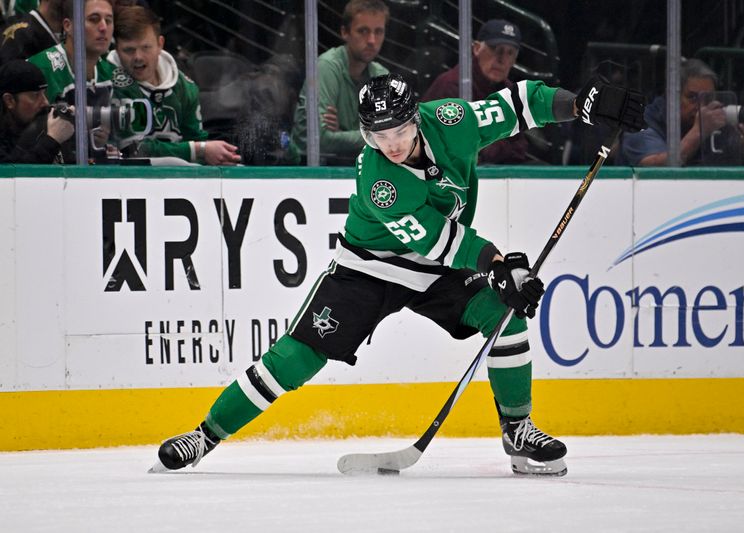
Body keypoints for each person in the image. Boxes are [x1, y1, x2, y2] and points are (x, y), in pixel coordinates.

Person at [150, 72, 644, 476]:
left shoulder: (449, 120)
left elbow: (518, 104)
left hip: (435, 271)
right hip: (368, 270)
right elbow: (437, 239)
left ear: (417, 120)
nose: (390, 144)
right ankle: (205, 434)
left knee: (504, 314)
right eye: (377, 135)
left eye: (399, 132)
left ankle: (518, 431)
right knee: (297, 358)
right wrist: (498, 264)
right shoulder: (379, 178)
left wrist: (579, 103)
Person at [107, 5, 240, 165]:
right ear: (117, 49)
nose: (138, 57)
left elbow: (197, 141)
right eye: (129, 50)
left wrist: (216, 157)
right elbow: (136, 149)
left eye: (146, 47)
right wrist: (199, 150)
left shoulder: (184, 88)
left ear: (160, 44)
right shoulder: (110, 82)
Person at [422, 19, 546, 165]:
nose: (501, 60)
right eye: (495, 49)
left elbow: (519, 148)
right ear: (476, 49)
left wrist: (489, 147)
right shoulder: (451, 85)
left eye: (510, 53)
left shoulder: (511, 92)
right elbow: (456, 147)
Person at [289, 0, 389, 164]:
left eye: (378, 32)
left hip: (362, 169)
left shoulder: (381, 75)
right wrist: (374, 135)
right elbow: (317, 140)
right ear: (345, 32)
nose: (372, 40)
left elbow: (395, 137)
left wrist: (341, 133)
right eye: (363, 31)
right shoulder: (327, 67)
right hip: (315, 172)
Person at [618, 58, 744, 166]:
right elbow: (655, 166)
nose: (701, 106)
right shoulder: (640, 121)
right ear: (671, 96)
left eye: (708, 98)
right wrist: (698, 132)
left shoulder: (714, 122)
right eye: (692, 97)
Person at [26, 0, 116, 162]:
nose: (103, 28)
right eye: (94, 19)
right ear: (68, 26)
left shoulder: (110, 72)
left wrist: (103, 143)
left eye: (108, 20)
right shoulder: (42, 68)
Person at [0, 58, 73, 162]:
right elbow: (14, 174)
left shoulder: (41, 128)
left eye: (44, 93)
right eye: (35, 95)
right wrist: (52, 141)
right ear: (9, 100)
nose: (46, 102)